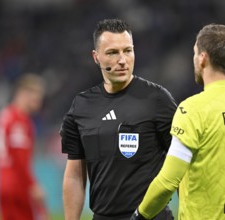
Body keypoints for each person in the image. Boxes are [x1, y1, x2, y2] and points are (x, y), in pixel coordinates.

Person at [131, 24, 225, 220]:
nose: (194, 59)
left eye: (195, 53)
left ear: (203, 58)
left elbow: (168, 182)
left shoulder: (193, 109)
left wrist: (139, 215)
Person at [60, 18, 177, 220]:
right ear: (96, 57)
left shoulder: (157, 99)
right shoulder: (81, 106)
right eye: (113, 53)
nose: (122, 60)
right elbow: (75, 175)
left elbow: (181, 161)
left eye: (128, 50)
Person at [0, 73, 49, 220]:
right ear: (23, 94)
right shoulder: (19, 120)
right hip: (17, 184)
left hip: (3, 182)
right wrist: (32, 185)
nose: (38, 103)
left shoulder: (5, 114)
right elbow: (19, 157)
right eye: (36, 98)